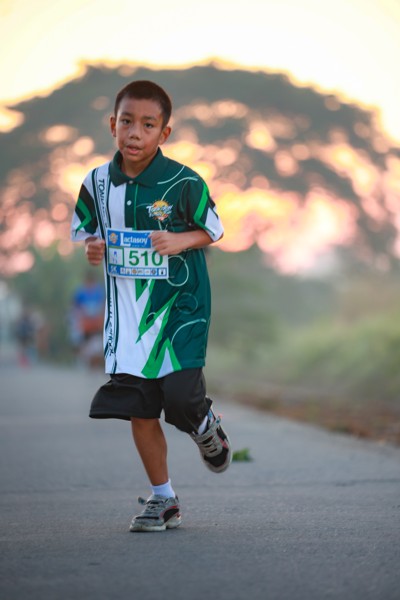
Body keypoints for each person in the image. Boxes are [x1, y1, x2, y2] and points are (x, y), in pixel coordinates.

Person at [70, 79, 231, 532]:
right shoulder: (96, 182)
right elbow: (88, 232)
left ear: (164, 133)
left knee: (180, 400)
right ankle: (164, 500)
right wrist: (93, 247)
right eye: (127, 122)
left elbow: (214, 229)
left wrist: (181, 240)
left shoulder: (184, 181)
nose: (135, 133)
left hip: (181, 309)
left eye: (147, 124)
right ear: (112, 125)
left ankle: (203, 424)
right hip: (128, 319)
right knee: (140, 409)